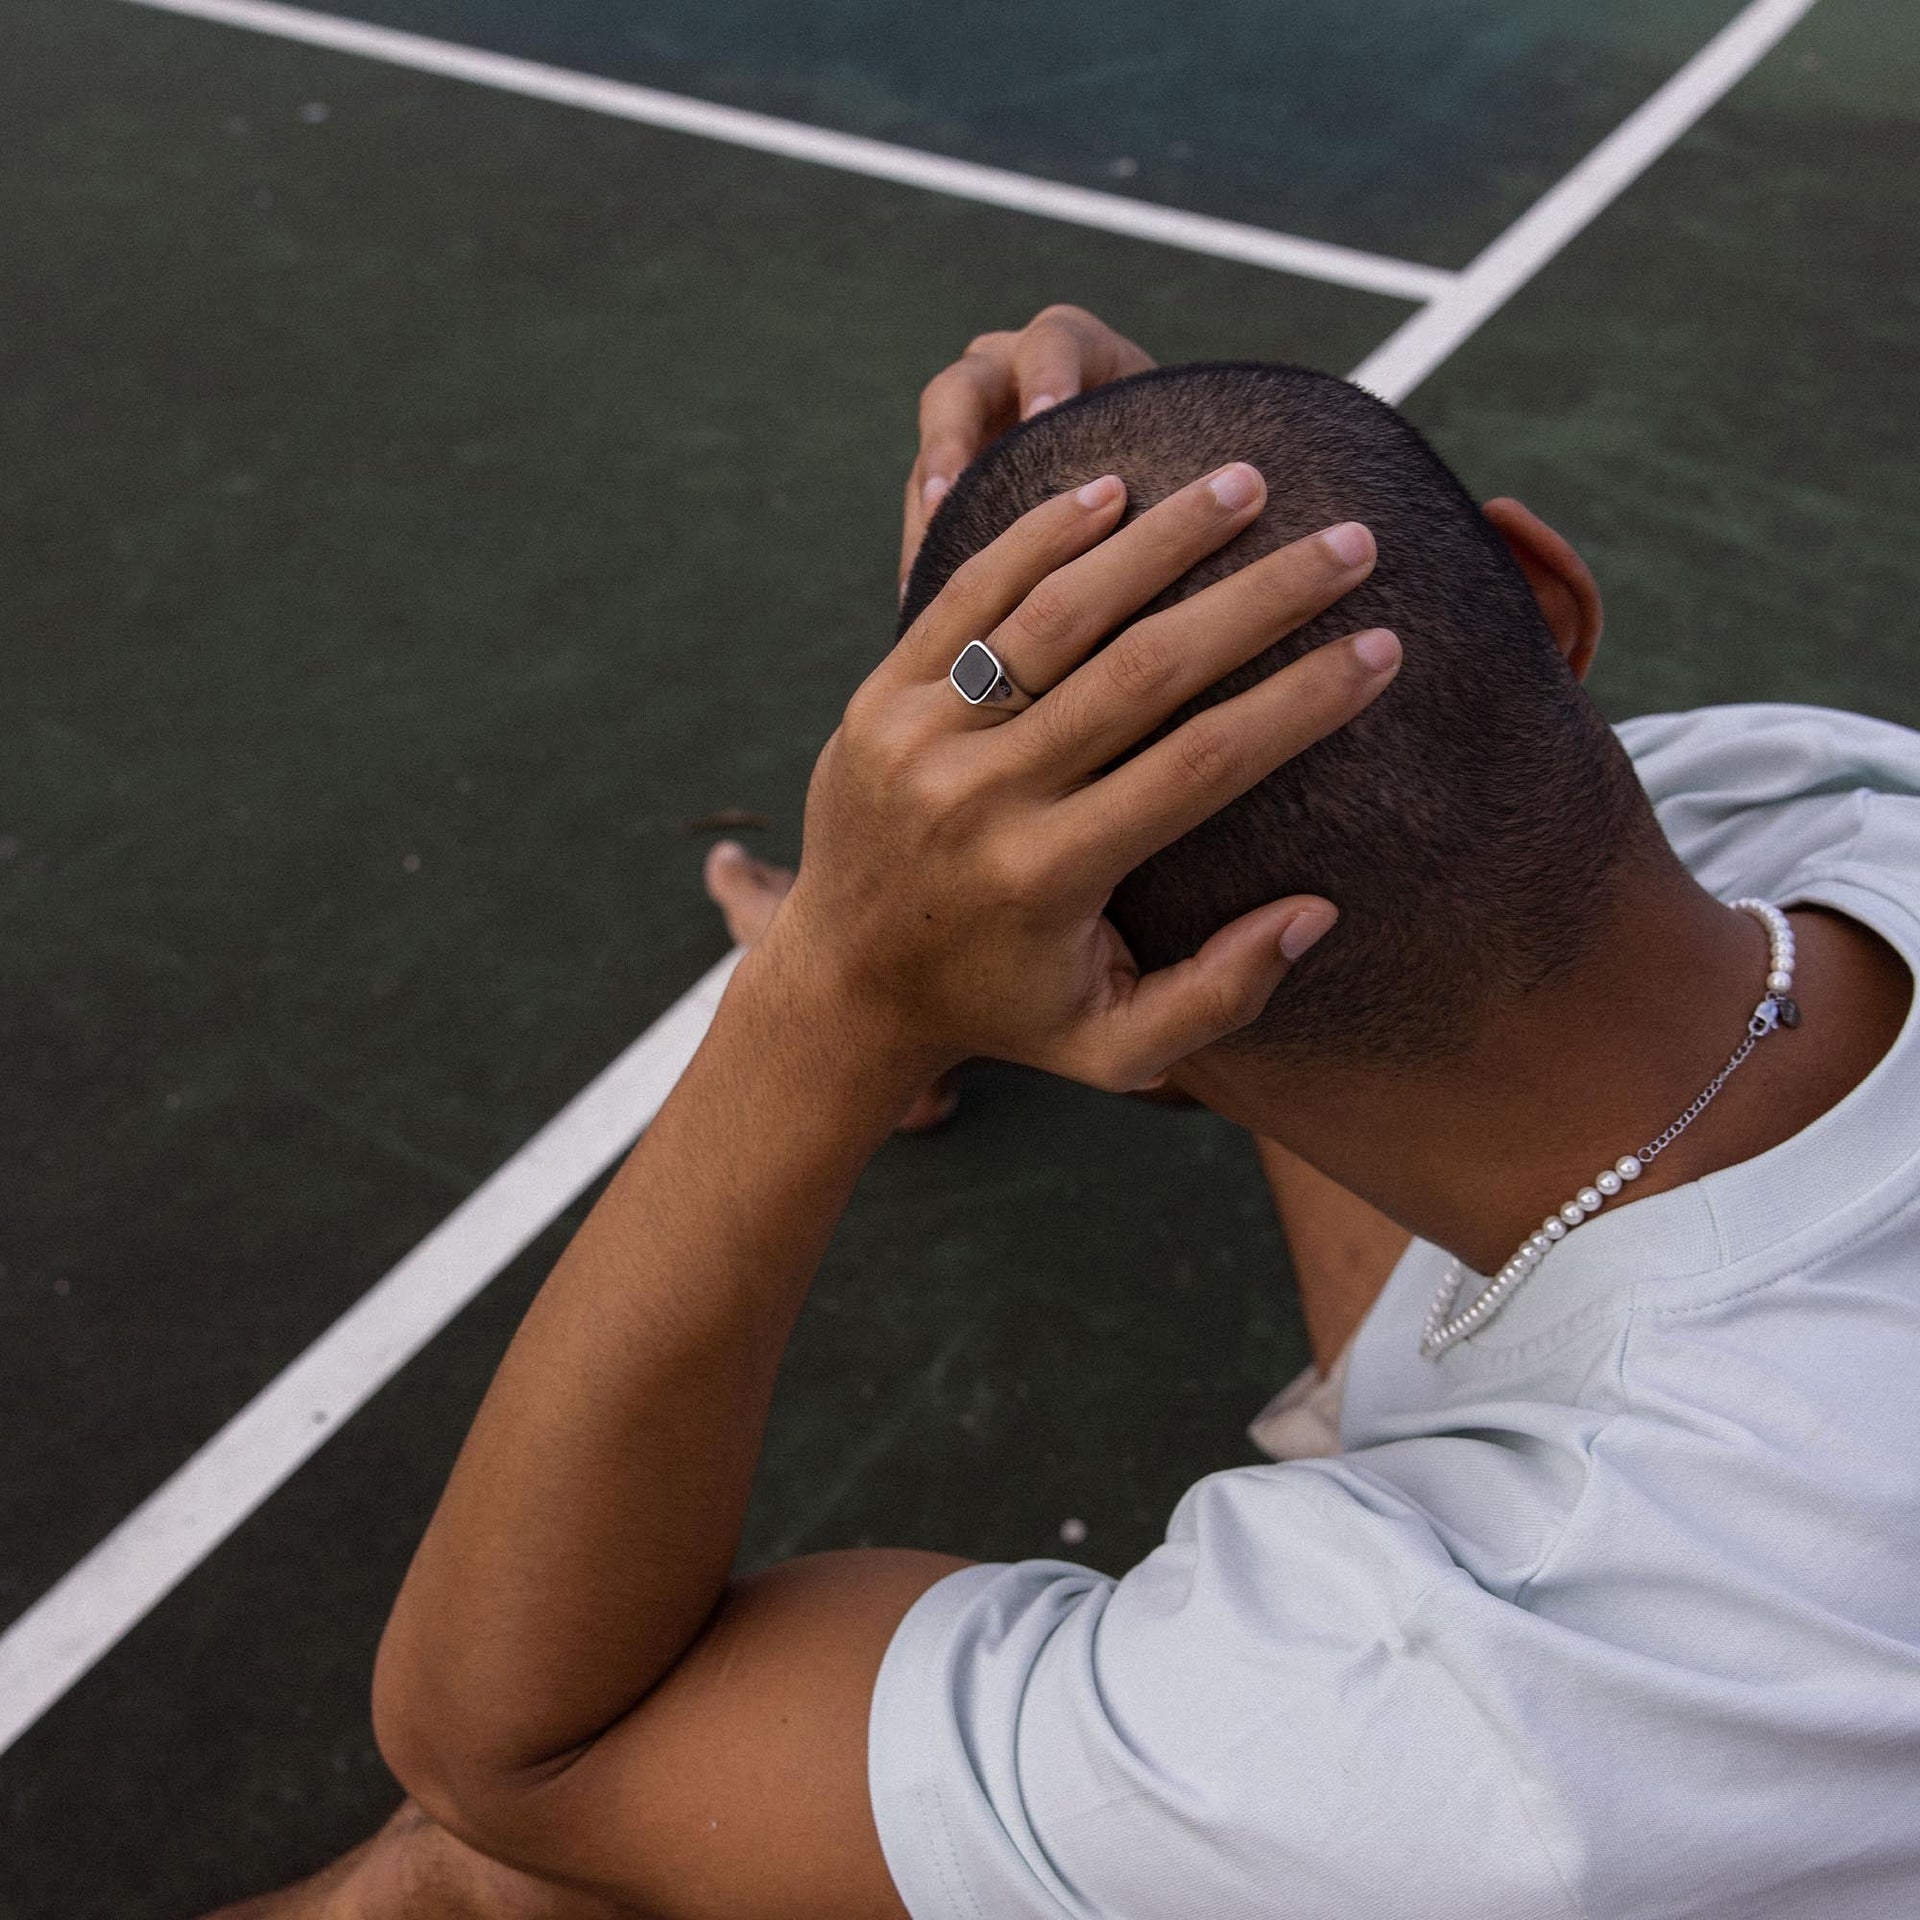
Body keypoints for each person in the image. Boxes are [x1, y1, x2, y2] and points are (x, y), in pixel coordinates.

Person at [212, 308, 1920, 1920]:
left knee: (493, 1877)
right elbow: (1397, 803)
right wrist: (1180, 517)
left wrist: (835, 1003)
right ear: (1546, 594)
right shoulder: (1827, 794)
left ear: (1115, 1043)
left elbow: (524, 1749)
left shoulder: (1476, 1701)